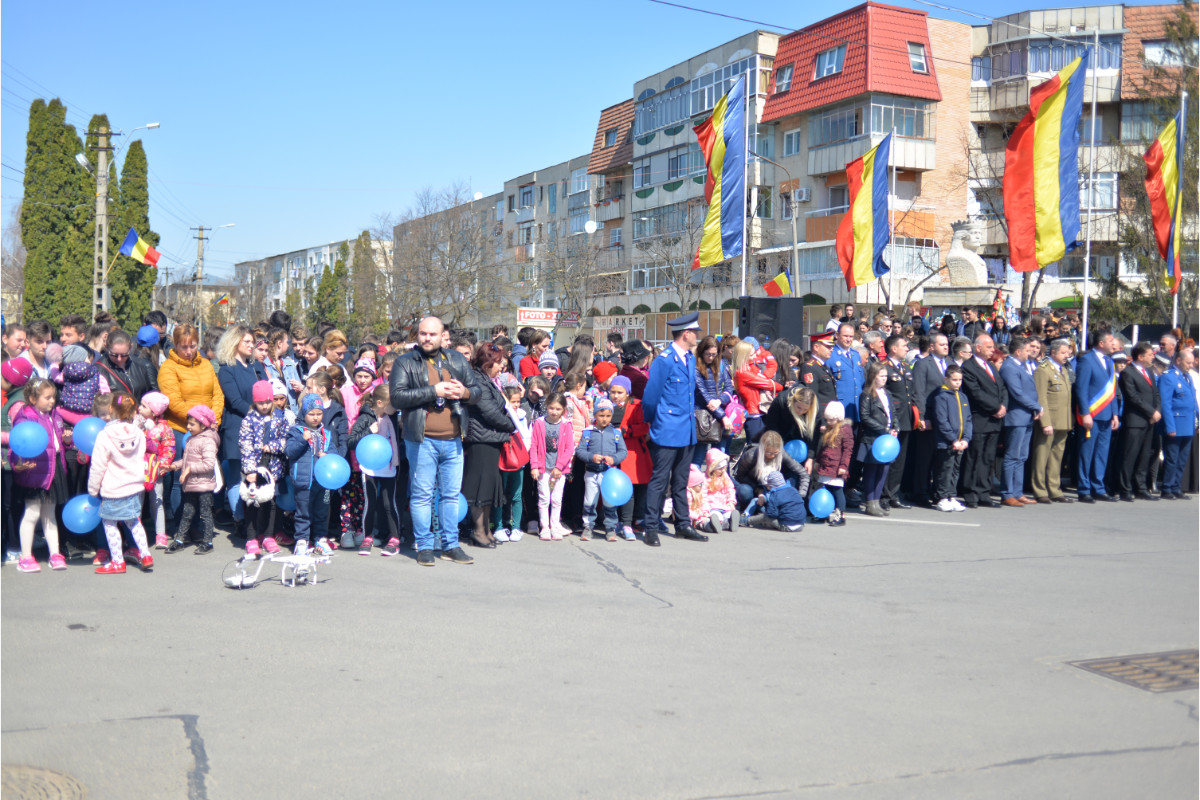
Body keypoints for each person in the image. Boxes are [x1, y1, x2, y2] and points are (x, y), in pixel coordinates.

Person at [389, 316, 480, 566]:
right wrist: (433, 391)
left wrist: (464, 393)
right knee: (422, 495)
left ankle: (451, 544)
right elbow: (397, 398)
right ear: (417, 335)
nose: (427, 338)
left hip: (453, 439)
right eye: (423, 334)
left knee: (450, 495)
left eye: (432, 334)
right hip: (422, 440)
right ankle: (425, 546)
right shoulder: (405, 362)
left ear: (443, 336)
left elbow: (477, 392)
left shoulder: (457, 359)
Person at [641, 313, 707, 547]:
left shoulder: (688, 358)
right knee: (660, 480)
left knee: (681, 480)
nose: (698, 336)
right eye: (695, 333)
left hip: (686, 429)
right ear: (686, 334)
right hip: (667, 429)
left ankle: (683, 524)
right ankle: (650, 527)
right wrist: (652, 422)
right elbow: (650, 398)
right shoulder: (665, 359)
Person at [158, 325, 223, 518]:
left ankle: (198, 524)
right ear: (175, 345)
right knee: (182, 478)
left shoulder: (206, 364)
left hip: (207, 428)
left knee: (203, 478)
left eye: (192, 346)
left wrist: (214, 418)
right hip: (181, 429)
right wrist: (202, 420)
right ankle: (181, 524)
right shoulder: (169, 368)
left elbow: (217, 394)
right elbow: (174, 401)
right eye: (183, 347)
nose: (188, 351)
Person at [87, 393, 153, 574]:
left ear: (111, 410)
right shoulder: (139, 433)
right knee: (134, 521)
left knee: (109, 523)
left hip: (113, 488)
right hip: (134, 485)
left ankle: (117, 561)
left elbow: (98, 465)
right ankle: (145, 554)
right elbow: (140, 457)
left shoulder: (104, 435)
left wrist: (93, 489)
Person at [8, 379, 69, 572]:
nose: (52, 401)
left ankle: (55, 554)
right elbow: (17, 441)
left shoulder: (54, 415)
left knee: (49, 515)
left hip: (53, 468)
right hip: (34, 470)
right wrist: (17, 462)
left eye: (53, 397)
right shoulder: (26, 416)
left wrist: (66, 441)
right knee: (32, 513)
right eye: (47, 397)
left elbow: (57, 441)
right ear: (33, 398)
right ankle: (26, 557)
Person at [462, 342, 516, 550]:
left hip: (490, 438)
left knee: (488, 488)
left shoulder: (486, 379)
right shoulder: (477, 379)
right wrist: (513, 425)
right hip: (481, 440)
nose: (502, 366)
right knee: (479, 489)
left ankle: (485, 528)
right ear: (488, 363)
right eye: (499, 362)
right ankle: (478, 531)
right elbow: (489, 412)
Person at [348, 385, 404, 556]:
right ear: (380, 403)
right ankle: (367, 537)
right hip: (370, 467)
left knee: (389, 503)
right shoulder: (365, 417)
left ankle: (394, 538)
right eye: (392, 404)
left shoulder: (392, 418)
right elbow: (351, 441)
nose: (395, 408)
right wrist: (367, 432)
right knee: (370, 503)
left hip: (388, 467)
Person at [237, 380, 289, 557]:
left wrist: (273, 446)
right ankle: (252, 537)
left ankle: (268, 535)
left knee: (272, 503)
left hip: (273, 468)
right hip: (255, 468)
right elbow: (245, 446)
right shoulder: (249, 420)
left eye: (268, 402)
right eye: (261, 402)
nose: (265, 406)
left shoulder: (280, 418)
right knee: (253, 502)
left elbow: (285, 440)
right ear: (254, 402)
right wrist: (250, 470)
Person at [959, 335, 1008, 509]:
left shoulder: (990, 366)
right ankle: (970, 493)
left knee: (988, 458)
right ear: (978, 348)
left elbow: (1001, 387)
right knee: (975, 457)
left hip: (994, 421)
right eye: (989, 347)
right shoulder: (969, 367)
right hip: (980, 418)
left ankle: (984, 492)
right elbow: (976, 393)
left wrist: (1003, 406)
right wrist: (995, 407)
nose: (992, 351)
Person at [164, 405, 220, 555]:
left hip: (204, 486)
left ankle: (208, 542)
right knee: (187, 512)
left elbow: (208, 464)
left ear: (203, 424)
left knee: (206, 514)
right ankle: (180, 540)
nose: (188, 427)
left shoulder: (208, 441)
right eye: (187, 423)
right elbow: (186, 460)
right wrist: (173, 466)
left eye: (192, 424)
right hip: (191, 485)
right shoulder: (190, 439)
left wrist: (189, 469)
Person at [1075, 330, 1121, 503]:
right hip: (1092, 415)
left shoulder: (1109, 361)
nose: (1113, 344)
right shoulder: (1087, 360)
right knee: (1086, 452)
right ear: (1101, 343)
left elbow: (1112, 390)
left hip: (1107, 415)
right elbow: (1081, 389)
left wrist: (1115, 414)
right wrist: (1085, 413)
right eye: (1111, 341)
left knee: (1102, 453)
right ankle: (1084, 488)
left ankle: (1098, 487)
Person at [285, 394, 335, 556]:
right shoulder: (296, 431)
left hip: (323, 481)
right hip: (304, 480)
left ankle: (320, 539)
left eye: (319, 414)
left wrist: (327, 455)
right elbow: (289, 451)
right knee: (303, 512)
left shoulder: (326, 433)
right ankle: (301, 540)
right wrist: (302, 440)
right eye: (311, 414)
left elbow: (334, 453)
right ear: (303, 414)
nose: (315, 418)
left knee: (322, 512)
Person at [997, 336, 1041, 507]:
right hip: (1016, 417)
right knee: (1012, 455)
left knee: (1022, 456)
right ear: (1018, 351)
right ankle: (1007, 493)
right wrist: (1036, 406)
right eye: (1026, 350)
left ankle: (1017, 491)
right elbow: (1017, 393)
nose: (1029, 352)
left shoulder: (1022, 366)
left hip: (1026, 416)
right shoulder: (1009, 367)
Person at [575, 397, 627, 541]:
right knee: (590, 501)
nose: (605, 419)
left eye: (608, 416)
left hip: (609, 474)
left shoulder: (616, 433)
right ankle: (588, 527)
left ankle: (610, 528)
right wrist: (591, 457)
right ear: (595, 415)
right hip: (591, 473)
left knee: (609, 503)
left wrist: (614, 459)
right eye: (601, 415)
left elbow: (623, 451)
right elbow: (580, 451)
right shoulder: (588, 432)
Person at [1118, 342, 1162, 501]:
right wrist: (1151, 411)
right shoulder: (1128, 373)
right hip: (1135, 420)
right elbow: (1133, 397)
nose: (1153, 357)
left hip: (1149, 420)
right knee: (1130, 455)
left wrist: (1157, 410)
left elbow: (1155, 393)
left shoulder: (1148, 371)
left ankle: (1141, 487)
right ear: (1140, 356)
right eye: (1150, 354)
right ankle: (1125, 488)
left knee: (1144, 456)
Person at [1030, 339, 1073, 504]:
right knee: (1042, 456)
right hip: (1049, 420)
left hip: (1063, 420)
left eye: (1067, 353)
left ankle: (1054, 489)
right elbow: (1041, 397)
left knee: (1057, 456)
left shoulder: (1063, 370)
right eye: (1063, 353)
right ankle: (1040, 490)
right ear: (1053, 353)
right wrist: (1045, 421)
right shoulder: (1043, 370)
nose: (1066, 356)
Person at [857, 361, 901, 517]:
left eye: (886, 376)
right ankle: (870, 503)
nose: (884, 379)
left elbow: (893, 413)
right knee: (871, 471)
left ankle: (877, 501)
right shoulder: (867, 394)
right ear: (873, 377)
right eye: (881, 376)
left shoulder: (886, 393)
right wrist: (884, 429)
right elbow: (865, 417)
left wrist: (895, 427)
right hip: (873, 438)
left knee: (884, 470)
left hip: (887, 439)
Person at [609, 376, 649, 540]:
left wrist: (627, 430)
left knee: (637, 488)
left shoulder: (636, 405)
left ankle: (634, 520)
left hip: (633, 451)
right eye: (613, 392)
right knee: (624, 489)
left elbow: (644, 426)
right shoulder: (606, 405)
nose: (616, 395)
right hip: (614, 451)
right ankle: (623, 521)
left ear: (627, 392)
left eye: (620, 392)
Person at [530, 392, 573, 540]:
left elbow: (569, 448)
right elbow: (534, 445)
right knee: (544, 498)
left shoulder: (566, 424)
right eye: (551, 408)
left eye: (558, 409)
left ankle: (555, 526)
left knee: (556, 499)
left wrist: (559, 467)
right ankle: (545, 527)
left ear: (563, 410)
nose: (554, 412)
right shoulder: (540, 423)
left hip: (558, 470)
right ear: (546, 407)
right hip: (544, 468)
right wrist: (534, 466)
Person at [136, 392, 175, 549]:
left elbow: (169, 448)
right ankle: (136, 534)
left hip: (155, 471)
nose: (139, 408)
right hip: (137, 470)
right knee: (137, 502)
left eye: (144, 406)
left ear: (154, 412)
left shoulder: (164, 429)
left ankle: (161, 534)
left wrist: (163, 465)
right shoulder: (136, 424)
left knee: (157, 501)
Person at [882, 334, 916, 510]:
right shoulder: (883, 368)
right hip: (891, 420)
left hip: (905, 419)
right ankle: (882, 495)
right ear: (894, 348)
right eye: (904, 345)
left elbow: (911, 394)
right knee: (887, 459)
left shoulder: (905, 367)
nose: (907, 348)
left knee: (899, 460)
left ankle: (893, 494)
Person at [1158, 348, 1197, 500]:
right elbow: (1166, 403)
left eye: (1192, 363)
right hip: (1175, 423)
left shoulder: (1188, 377)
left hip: (1187, 423)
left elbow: (1193, 401)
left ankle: (1176, 486)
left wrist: (1197, 420)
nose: (1190, 365)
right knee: (1172, 458)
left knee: (1182, 459)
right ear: (1179, 361)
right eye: (1188, 363)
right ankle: (1167, 487)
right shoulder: (1169, 377)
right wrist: (1170, 426)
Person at [732, 430, 808, 507]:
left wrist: (800, 495)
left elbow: (803, 473)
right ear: (762, 448)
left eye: (775, 453)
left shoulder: (782, 454)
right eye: (768, 452)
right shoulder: (750, 456)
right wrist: (758, 489)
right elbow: (741, 476)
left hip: (774, 487)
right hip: (753, 485)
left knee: (793, 477)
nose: (772, 456)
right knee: (745, 491)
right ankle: (746, 506)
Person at [494, 384, 530, 543]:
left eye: (518, 402)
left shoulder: (522, 416)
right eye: (513, 402)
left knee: (516, 495)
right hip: (503, 460)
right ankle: (498, 526)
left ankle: (516, 527)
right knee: (500, 495)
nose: (516, 405)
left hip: (519, 460)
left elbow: (526, 436)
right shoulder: (500, 417)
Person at [732, 341, 782, 444]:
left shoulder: (748, 368)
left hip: (758, 412)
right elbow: (769, 384)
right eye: (752, 354)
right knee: (755, 448)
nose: (755, 356)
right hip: (754, 414)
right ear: (744, 356)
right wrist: (782, 386)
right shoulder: (743, 372)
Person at [814, 401, 853, 526]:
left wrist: (843, 466)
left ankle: (841, 515)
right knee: (825, 490)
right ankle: (823, 513)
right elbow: (824, 448)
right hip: (826, 465)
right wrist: (818, 460)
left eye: (831, 420)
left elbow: (847, 450)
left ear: (838, 418)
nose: (828, 422)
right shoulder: (829, 429)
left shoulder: (845, 430)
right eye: (827, 420)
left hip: (837, 467)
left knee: (837, 491)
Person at [96, 329, 159, 400]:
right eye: (114, 355)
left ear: (130, 348)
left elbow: (156, 398)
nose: (119, 359)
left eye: (124, 355)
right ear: (106, 347)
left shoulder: (145, 366)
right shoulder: (98, 370)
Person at [743, 471, 808, 531]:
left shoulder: (774, 495)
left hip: (787, 526)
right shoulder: (793, 490)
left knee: (765, 517)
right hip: (800, 525)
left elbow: (772, 514)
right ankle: (764, 523)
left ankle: (745, 520)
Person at [828, 323, 865, 422]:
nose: (848, 339)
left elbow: (861, 381)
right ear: (837, 335)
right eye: (845, 336)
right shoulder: (830, 355)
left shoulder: (856, 354)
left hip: (856, 407)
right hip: (841, 409)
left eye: (851, 336)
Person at [695, 448, 737, 533]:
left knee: (729, 515)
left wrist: (731, 502)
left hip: (725, 506)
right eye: (720, 469)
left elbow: (730, 490)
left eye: (724, 468)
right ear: (713, 468)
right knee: (717, 517)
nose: (722, 471)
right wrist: (705, 511)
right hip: (712, 508)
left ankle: (729, 522)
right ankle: (717, 524)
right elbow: (703, 496)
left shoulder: (725, 477)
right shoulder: (706, 479)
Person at [797, 331, 838, 414]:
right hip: (820, 417)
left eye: (832, 347)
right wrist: (820, 421)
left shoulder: (823, 366)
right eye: (828, 347)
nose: (831, 349)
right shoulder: (809, 367)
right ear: (816, 347)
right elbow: (812, 396)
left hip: (829, 415)